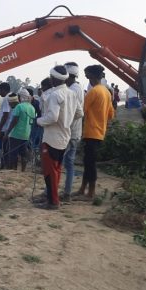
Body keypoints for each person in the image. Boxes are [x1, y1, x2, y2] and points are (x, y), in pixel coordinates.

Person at [35, 65, 83, 210]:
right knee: (56, 169)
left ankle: (53, 202)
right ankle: (52, 199)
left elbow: (52, 117)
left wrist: (38, 121)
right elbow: (80, 113)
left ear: (54, 79)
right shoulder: (71, 93)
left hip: (52, 138)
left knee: (50, 171)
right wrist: (66, 121)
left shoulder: (55, 95)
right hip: (65, 136)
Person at [74, 65, 115, 200]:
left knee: (90, 164)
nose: (86, 78)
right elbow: (110, 115)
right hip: (99, 132)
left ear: (91, 76)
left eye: (87, 75)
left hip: (91, 132)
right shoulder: (106, 92)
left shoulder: (93, 92)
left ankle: (90, 193)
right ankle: (82, 189)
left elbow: (81, 111)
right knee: (88, 162)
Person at [61, 62, 85, 202]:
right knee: (68, 163)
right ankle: (67, 193)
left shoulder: (74, 90)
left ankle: (51, 192)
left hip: (69, 132)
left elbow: (75, 112)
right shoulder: (77, 88)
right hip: (73, 132)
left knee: (58, 162)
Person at [3, 89, 36, 171]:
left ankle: (13, 169)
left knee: (13, 153)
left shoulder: (19, 106)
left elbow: (14, 121)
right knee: (23, 153)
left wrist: (7, 133)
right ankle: (23, 170)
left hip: (16, 134)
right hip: (26, 134)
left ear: (20, 97)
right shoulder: (32, 107)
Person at [0, 82, 12, 166]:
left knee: (3, 147)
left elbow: (5, 115)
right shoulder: (11, 97)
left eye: (0, 90)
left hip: (4, 128)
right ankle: (6, 164)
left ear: (4, 90)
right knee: (6, 147)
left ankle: (4, 165)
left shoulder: (6, 99)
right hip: (8, 127)